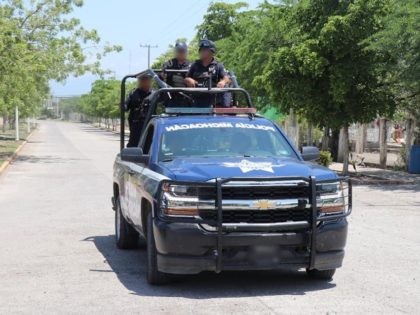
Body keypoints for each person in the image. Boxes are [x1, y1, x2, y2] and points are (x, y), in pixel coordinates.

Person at [184, 39, 231, 107]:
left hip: (213, 100)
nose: (201, 51)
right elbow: (186, 78)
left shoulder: (218, 65)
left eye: (204, 50)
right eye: (200, 49)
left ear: (211, 52)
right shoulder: (195, 65)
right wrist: (188, 80)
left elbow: (227, 78)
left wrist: (223, 82)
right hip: (197, 99)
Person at [124, 74, 153, 147]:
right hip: (136, 124)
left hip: (150, 124)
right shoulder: (133, 93)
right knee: (134, 143)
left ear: (150, 81)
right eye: (141, 79)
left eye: (146, 79)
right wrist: (123, 105)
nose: (143, 81)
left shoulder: (155, 93)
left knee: (149, 144)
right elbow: (126, 106)